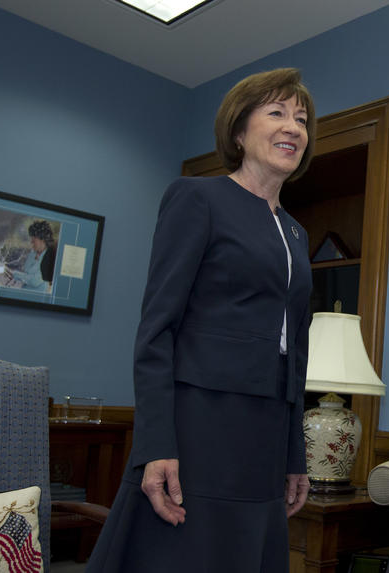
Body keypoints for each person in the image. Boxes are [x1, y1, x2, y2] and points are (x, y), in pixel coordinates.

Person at [87, 68, 316, 572]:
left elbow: (295, 352)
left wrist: (294, 455)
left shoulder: (298, 235)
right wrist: (156, 445)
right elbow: (156, 331)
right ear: (238, 131)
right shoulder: (197, 198)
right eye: (276, 113)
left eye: (300, 119)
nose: (293, 128)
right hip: (199, 426)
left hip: (266, 436)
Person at [9, 220, 56, 291]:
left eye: (34, 239)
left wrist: (15, 274)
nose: (31, 241)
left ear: (42, 239)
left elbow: (35, 281)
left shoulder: (50, 257)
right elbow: (25, 272)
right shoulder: (32, 253)